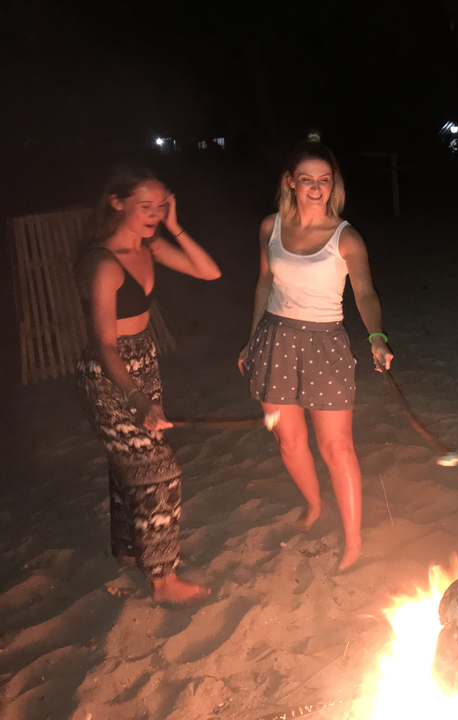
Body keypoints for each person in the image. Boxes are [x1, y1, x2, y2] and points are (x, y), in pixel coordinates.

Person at [238, 136, 392, 571]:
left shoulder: (346, 237)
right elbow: (264, 283)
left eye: (324, 180)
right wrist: (251, 339)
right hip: (275, 339)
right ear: (290, 182)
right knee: (289, 441)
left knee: (337, 446)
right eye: (307, 180)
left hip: (325, 344)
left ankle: (354, 540)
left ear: (333, 184)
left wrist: (376, 336)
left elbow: (365, 292)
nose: (316, 188)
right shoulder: (271, 227)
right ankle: (313, 503)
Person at [75, 168, 221, 604]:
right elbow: (104, 346)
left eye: (162, 206)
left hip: (144, 361)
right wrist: (136, 398)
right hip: (109, 377)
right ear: (116, 202)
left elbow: (209, 271)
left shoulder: (151, 246)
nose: (155, 214)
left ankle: (127, 549)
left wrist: (174, 226)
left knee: (131, 463)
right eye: (147, 207)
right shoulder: (103, 262)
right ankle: (162, 579)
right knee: (158, 469)